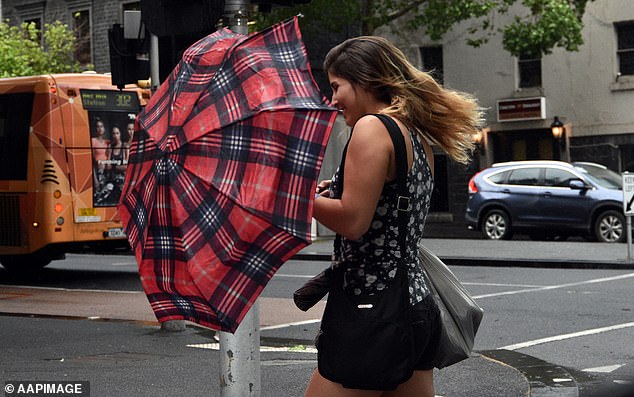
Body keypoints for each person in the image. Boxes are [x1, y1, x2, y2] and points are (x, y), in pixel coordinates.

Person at [305, 36, 482, 397]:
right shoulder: (413, 135)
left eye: (337, 87)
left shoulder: (371, 128)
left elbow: (354, 221)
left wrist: (294, 199)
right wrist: (337, 190)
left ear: (365, 80)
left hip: (371, 309)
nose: (334, 98)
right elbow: (386, 204)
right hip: (414, 304)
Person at [91, 118, 109, 191]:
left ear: (104, 128)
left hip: (108, 173)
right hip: (98, 172)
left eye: (101, 126)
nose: (100, 128)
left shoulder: (108, 142)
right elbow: (91, 162)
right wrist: (95, 179)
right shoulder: (93, 141)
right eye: (98, 126)